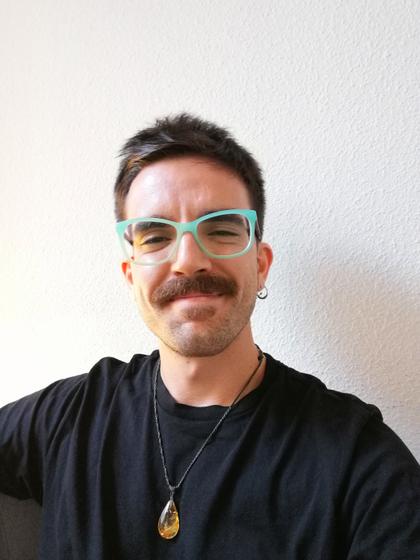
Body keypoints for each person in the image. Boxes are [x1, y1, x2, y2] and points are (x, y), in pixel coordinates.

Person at [1, 113, 419, 560]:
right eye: (156, 235)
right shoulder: (70, 416)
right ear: (130, 275)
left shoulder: (357, 459)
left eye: (220, 229)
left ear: (260, 264)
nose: (188, 260)